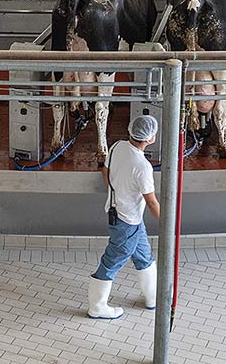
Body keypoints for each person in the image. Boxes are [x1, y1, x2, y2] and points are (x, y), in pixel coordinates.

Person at [87, 114, 160, 320]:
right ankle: (97, 307)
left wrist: (116, 191)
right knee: (112, 261)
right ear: (150, 138)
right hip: (127, 221)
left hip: (125, 215)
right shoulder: (143, 166)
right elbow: (152, 201)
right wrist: (167, 224)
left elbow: (105, 172)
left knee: (143, 256)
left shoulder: (117, 146)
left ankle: (152, 297)